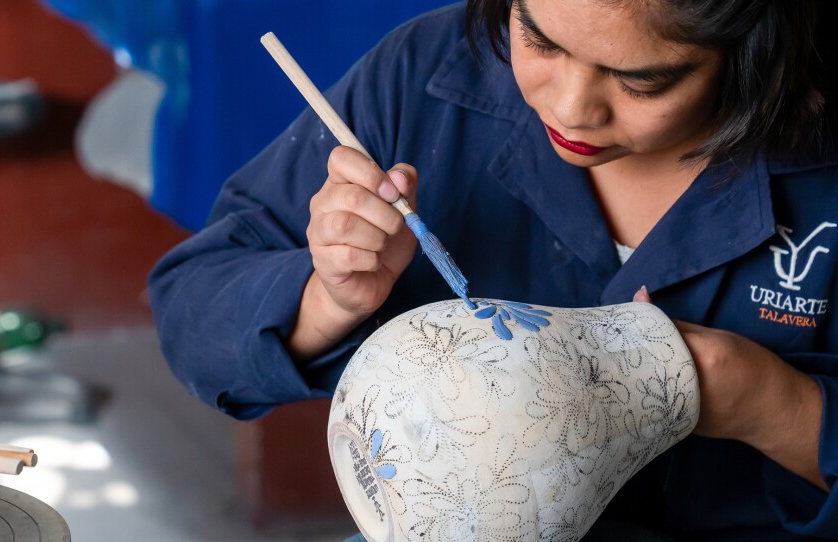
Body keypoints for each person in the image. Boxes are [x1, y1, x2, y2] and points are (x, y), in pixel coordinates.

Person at [148, 0, 838, 539]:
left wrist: (761, 400)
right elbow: (190, 310)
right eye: (540, 40)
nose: (569, 107)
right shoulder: (429, 73)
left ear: (753, 52)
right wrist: (326, 300)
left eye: (641, 80)